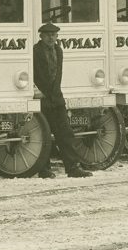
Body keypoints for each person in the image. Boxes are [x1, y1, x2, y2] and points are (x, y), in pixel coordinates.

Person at [30, 20, 91, 179]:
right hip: (42, 98)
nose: (51, 38)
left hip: (56, 98)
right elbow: (34, 75)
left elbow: (58, 74)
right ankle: (44, 169)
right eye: (47, 35)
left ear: (57, 36)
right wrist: (39, 91)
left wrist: (55, 92)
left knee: (65, 133)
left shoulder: (59, 50)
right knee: (44, 134)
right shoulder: (35, 51)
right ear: (41, 36)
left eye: (53, 35)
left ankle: (72, 168)